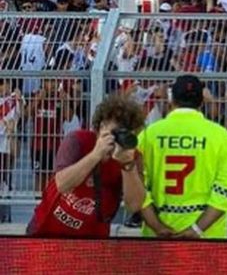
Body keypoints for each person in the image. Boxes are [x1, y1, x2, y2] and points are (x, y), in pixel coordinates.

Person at [132, 75, 227, 239]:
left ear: (171, 99)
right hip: (209, 238)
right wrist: (196, 230)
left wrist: (158, 227)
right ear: (202, 102)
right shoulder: (222, 137)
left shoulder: (148, 136)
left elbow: (138, 188)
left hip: (157, 239)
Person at [26, 95, 145, 238]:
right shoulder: (77, 141)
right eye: (117, 131)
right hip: (48, 229)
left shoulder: (132, 157)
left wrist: (128, 166)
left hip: (91, 239)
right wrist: (95, 155)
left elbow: (135, 206)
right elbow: (62, 184)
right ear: (101, 127)